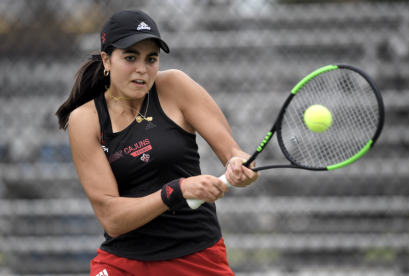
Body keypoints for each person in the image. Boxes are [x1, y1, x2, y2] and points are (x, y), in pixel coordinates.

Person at [56, 9, 259, 276]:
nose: (142, 69)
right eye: (130, 57)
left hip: (196, 255)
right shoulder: (86, 119)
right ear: (106, 60)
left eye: (151, 59)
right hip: (123, 261)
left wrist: (239, 165)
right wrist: (177, 191)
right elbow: (112, 218)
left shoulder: (175, 85)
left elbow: (236, 154)